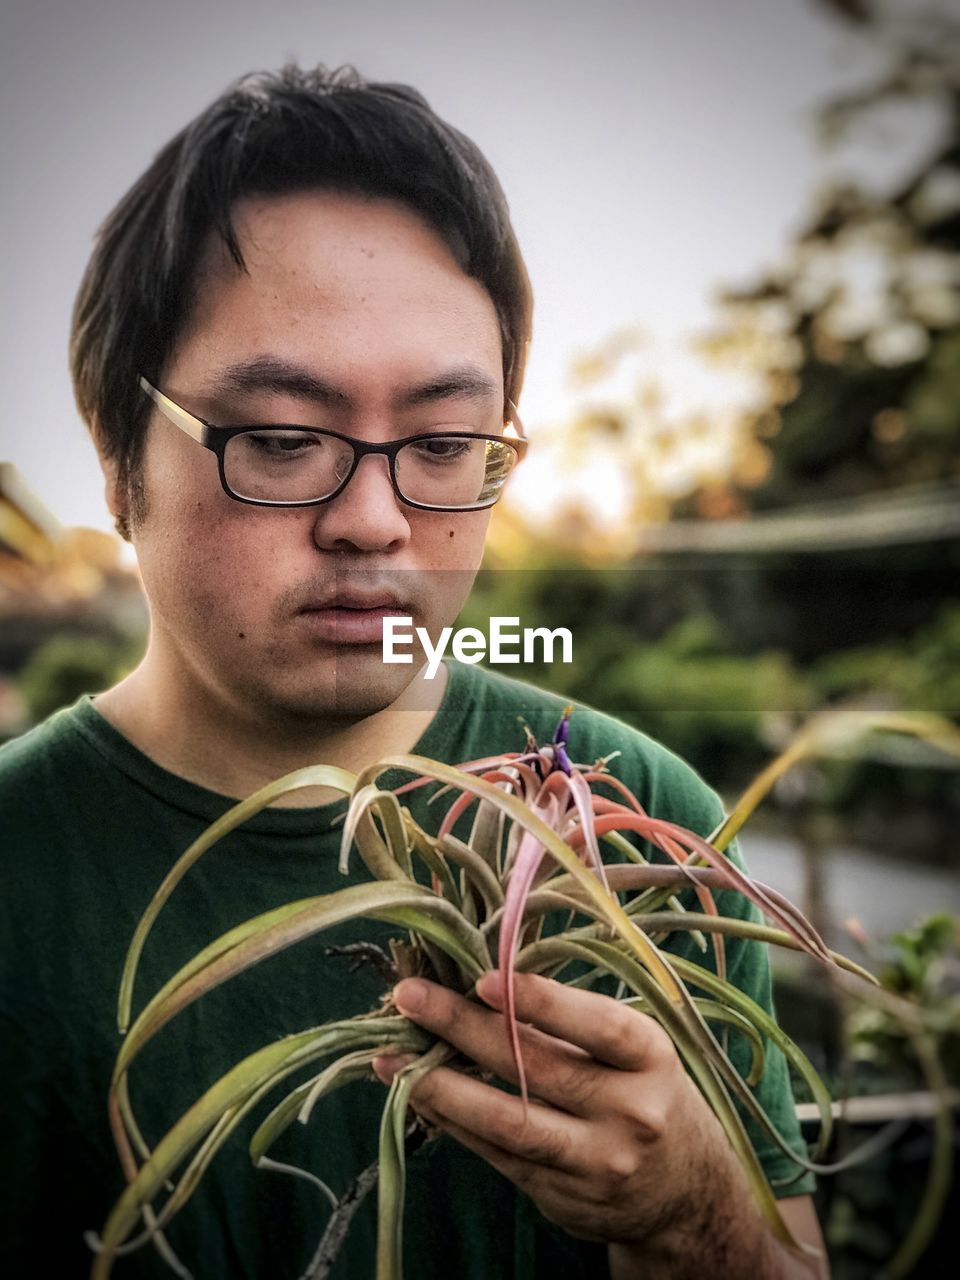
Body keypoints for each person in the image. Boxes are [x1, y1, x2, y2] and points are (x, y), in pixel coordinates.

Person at [0, 64, 828, 1279]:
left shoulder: (641, 818)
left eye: (443, 443)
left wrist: (693, 1210)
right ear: (119, 461)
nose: (377, 521)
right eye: (283, 440)